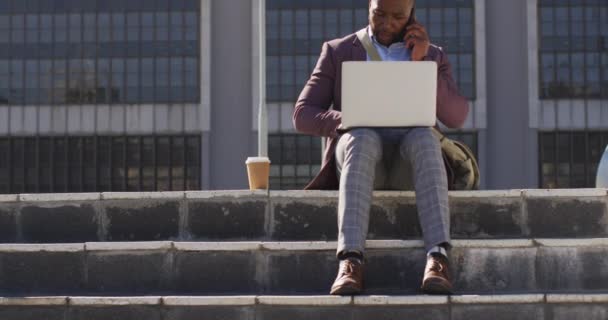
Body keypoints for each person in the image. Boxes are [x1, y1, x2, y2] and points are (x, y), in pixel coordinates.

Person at [292, 0, 469, 295]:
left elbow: (456, 116)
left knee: (425, 137)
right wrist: (352, 118)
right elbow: (302, 114)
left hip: (407, 161)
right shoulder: (338, 51)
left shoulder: (432, 55)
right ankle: (350, 261)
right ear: (369, 8)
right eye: (379, 14)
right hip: (358, 156)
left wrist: (422, 61)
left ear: (411, 16)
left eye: (397, 17)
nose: (387, 22)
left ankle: (438, 257)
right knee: (362, 137)